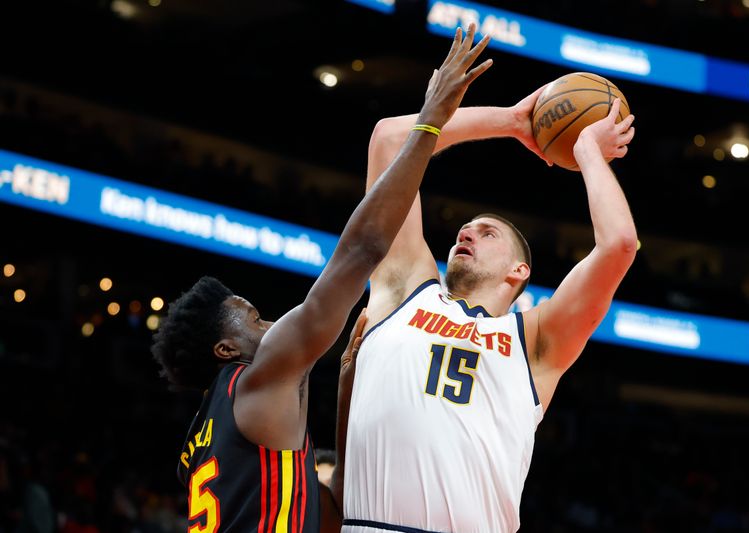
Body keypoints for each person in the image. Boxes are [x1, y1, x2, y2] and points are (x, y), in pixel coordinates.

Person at [150, 24, 493, 533]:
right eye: (257, 318)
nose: (273, 325)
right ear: (226, 350)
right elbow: (363, 249)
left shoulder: (205, 440)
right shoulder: (258, 376)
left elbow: (330, 512)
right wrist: (429, 124)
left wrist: (348, 384)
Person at [342, 73, 637, 531]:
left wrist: (586, 154)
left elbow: (619, 245)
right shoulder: (404, 289)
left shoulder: (536, 342)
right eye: (466, 229)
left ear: (519, 272)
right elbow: (390, 137)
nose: (466, 231)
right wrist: (514, 121)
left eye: (488, 232)